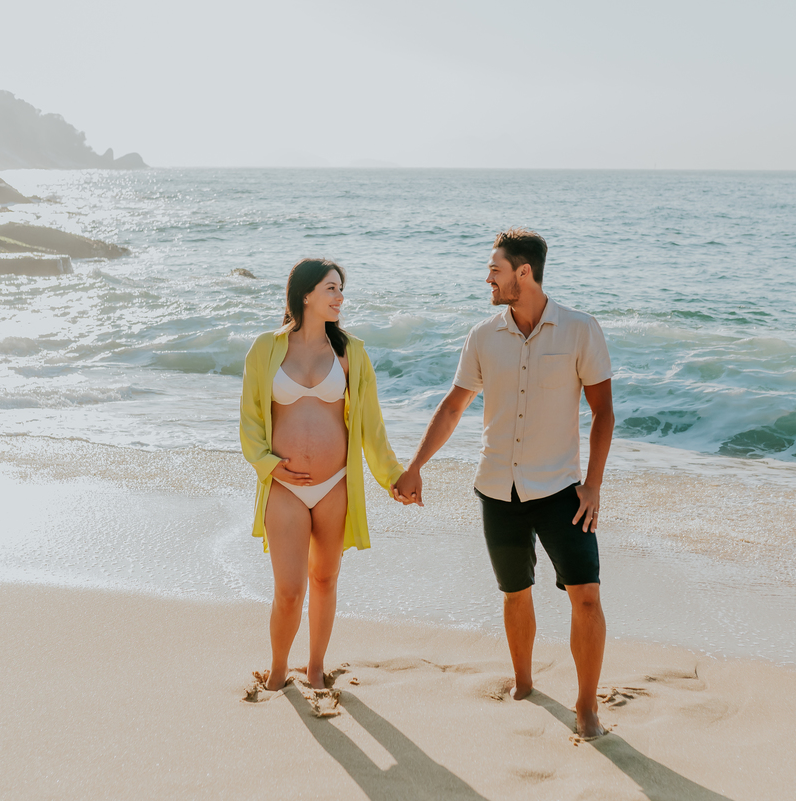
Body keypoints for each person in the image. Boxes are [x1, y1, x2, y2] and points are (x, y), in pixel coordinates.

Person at [393, 228, 615, 739]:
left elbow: (603, 413)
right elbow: (453, 406)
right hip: (498, 489)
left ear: (524, 273)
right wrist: (416, 465)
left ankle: (586, 708)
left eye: (494, 269)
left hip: (563, 491)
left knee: (586, 596)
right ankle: (523, 683)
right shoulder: (482, 336)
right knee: (516, 593)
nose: (486, 278)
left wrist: (594, 486)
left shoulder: (581, 330)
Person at [240, 257, 407, 692]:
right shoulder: (265, 349)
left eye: (340, 289)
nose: (339, 297)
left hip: (336, 486)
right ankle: (278, 669)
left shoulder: (351, 352)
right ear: (306, 294)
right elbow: (250, 420)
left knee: (325, 579)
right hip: (285, 488)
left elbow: (371, 425)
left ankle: (315, 668)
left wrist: (395, 476)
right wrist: (268, 464)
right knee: (290, 590)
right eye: (331, 289)